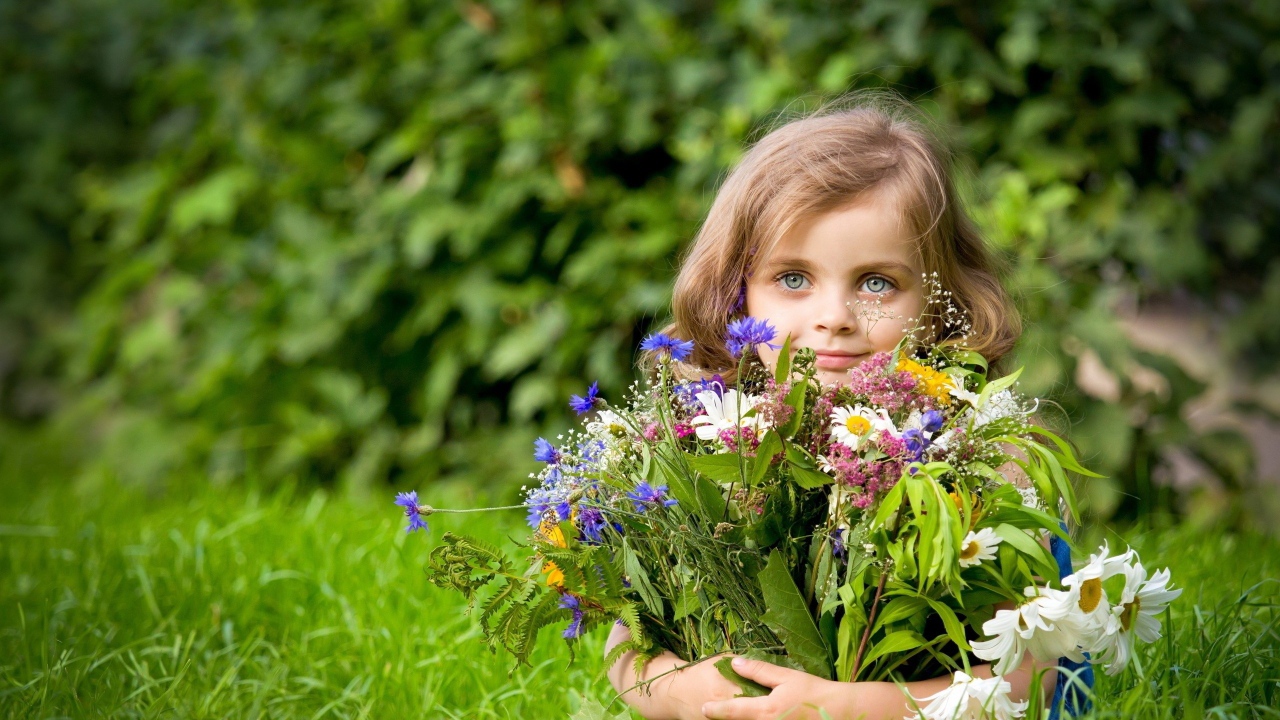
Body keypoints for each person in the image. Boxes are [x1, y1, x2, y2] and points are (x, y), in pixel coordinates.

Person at [603, 95, 1092, 720]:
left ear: (939, 301)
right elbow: (627, 648)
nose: (833, 318)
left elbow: (1032, 680)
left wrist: (848, 708)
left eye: (877, 283)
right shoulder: (699, 447)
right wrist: (685, 690)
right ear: (736, 292)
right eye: (793, 279)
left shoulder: (985, 469)